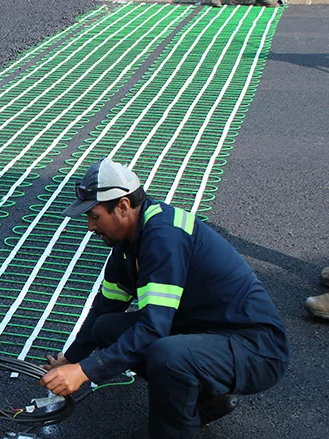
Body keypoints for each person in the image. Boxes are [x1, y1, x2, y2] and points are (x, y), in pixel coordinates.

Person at [38, 158, 289, 439]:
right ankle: (206, 399)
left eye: (95, 216)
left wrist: (84, 371)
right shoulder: (128, 242)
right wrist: (70, 360)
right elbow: (104, 307)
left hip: (254, 347)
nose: (89, 227)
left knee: (167, 354)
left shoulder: (163, 237)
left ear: (122, 206)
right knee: (106, 328)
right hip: (206, 331)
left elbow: (152, 329)